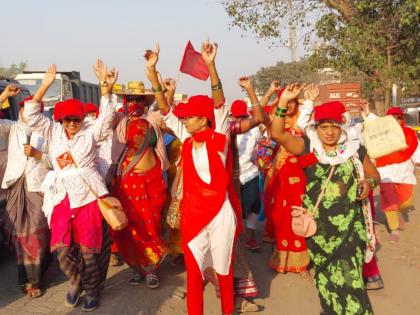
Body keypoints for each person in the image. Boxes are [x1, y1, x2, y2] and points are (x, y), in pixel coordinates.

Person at [145, 41, 247, 315]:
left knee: (223, 271)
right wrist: (153, 73)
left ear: (204, 120)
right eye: (185, 118)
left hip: (219, 214)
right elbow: (166, 110)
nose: (185, 121)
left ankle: (228, 310)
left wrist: (211, 66)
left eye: (190, 117)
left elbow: (219, 103)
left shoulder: (219, 139)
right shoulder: (188, 141)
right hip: (192, 215)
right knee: (193, 274)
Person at [271, 84, 379, 315]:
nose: (329, 132)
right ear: (315, 127)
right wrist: (282, 104)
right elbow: (277, 134)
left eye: (334, 126)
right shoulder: (309, 149)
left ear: (342, 127)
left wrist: (369, 183)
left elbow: (373, 174)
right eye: (324, 126)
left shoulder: (355, 151)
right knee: (326, 280)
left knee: (351, 281)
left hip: (351, 229)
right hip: (319, 231)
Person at [24, 62, 116, 312]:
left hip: (87, 196)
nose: (72, 123)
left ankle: (93, 289)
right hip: (60, 197)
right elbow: (31, 115)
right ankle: (76, 282)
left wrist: (105, 88)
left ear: (83, 119)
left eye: (77, 119)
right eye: (68, 119)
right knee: (63, 250)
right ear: (61, 119)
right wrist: (44, 86)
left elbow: (107, 119)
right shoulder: (53, 131)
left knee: (89, 251)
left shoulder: (90, 133)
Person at [110, 80, 169, 289]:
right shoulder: (120, 120)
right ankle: (136, 267)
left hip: (152, 181)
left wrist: (162, 86)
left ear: (145, 101)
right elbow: (104, 120)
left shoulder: (152, 118)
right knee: (131, 228)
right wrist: (104, 88)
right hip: (127, 182)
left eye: (138, 98)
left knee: (151, 225)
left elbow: (167, 112)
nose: (134, 102)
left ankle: (152, 269)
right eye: (130, 98)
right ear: (125, 101)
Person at [0, 85, 51, 298]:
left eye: (34, 109)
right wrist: (3, 96)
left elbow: (58, 161)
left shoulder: (50, 130)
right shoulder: (11, 127)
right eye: (24, 108)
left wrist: (39, 155)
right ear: (20, 110)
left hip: (37, 188)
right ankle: (26, 279)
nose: (28, 112)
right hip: (15, 188)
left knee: (37, 235)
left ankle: (36, 277)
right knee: (20, 237)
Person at [262, 84, 314, 277]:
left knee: (300, 214)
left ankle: (301, 262)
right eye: (287, 103)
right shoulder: (278, 122)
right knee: (281, 215)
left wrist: (309, 102)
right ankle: (281, 258)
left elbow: (305, 123)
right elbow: (266, 122)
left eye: (294, 102)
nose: (291, 106)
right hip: (279, 173)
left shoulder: (303, 125)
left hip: (301, 174)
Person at [370, 106, 419, 242]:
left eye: (398, 118)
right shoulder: (381, 135)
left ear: (402, 119)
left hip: (405, 174)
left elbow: (416, 151)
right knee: (390, 202)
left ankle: (398, 214)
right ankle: (394, 229)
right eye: (392, 118)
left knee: (406, 202)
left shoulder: (409, 133)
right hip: (386, 174)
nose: (396, 120)